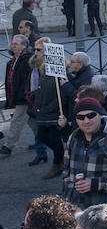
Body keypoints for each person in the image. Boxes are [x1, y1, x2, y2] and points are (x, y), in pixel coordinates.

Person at [29, 37, 74, 179]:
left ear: (47, 51)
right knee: (42, 135)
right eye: (34, 49)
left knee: (53, 137)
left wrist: (60, 109)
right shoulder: (38, 66)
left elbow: (63, 92)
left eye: (38, 49)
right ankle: (62, 159)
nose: (35, 52)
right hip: (42, 107)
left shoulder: (56, 67)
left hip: (54, 109)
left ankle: (58, 162)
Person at [0, 34, 34, 158]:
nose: (12, 46)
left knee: (16, 121)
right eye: (12, 44)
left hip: (23, 97)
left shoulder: (28, 60)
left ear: (24, 46)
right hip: (17, 96)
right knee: (32, 121)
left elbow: (27, 81)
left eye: (15, 44)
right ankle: (41, 139)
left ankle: (8, 146)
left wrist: (22, 95)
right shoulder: (15, 59)